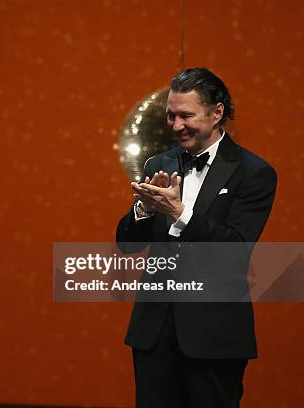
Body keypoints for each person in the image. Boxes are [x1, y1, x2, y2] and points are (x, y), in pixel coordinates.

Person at [116, 67, 277, 407]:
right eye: (171, 116)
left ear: (217, 112)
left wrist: (179, 213)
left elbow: (235, 248)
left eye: (185, 115)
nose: (175, 126)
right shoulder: (158, 163)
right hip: (154, 335)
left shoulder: (254, 173)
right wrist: (143, 211)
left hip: (214, 337)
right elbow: (127, 245)